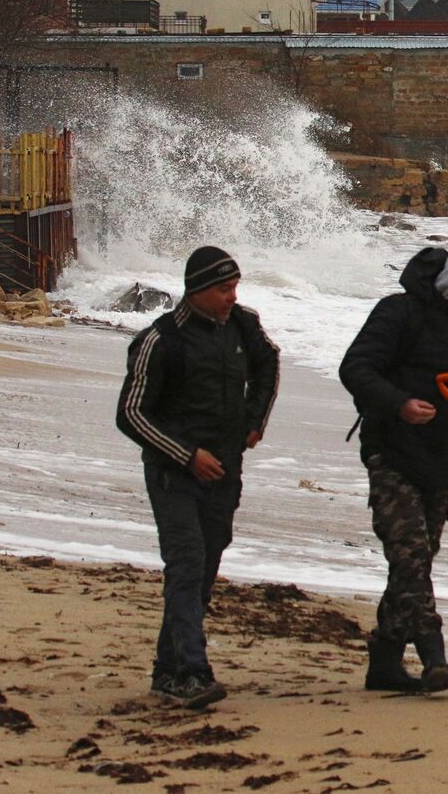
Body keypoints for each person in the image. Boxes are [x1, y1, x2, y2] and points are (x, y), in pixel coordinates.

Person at [339, 228, 448, 694]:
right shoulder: (399, 312)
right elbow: (355, 368)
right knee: (410, 557)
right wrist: (400, 404)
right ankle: (434, 653)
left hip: (444, 459)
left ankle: (384, 663)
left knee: (414, 562)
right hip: (391, 452)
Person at [115, 246, 280, 709]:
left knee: (204, 570)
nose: (233, 297)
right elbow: (130, 415)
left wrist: (255, 420)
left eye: (235, 288)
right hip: (174, 474)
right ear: (198, 290)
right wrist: (187, 456)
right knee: (186, 565)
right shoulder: (160, 340)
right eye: (224, 289)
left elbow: (269, 362)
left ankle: (167, 671)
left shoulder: (244, 325)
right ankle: (192, 671)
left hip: (226, 470)